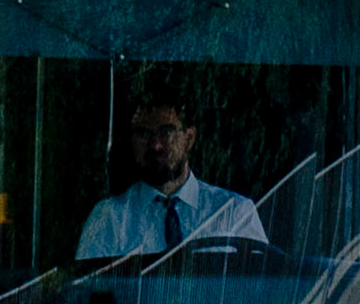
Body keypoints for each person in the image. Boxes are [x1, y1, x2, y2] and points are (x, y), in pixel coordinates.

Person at [76, 94, 268, 258]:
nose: (155, 145)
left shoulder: (234, 213)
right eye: (143, 134)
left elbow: (261, 291)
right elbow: (89, 295)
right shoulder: (109, 219)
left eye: (166, 132)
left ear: (189, 138)